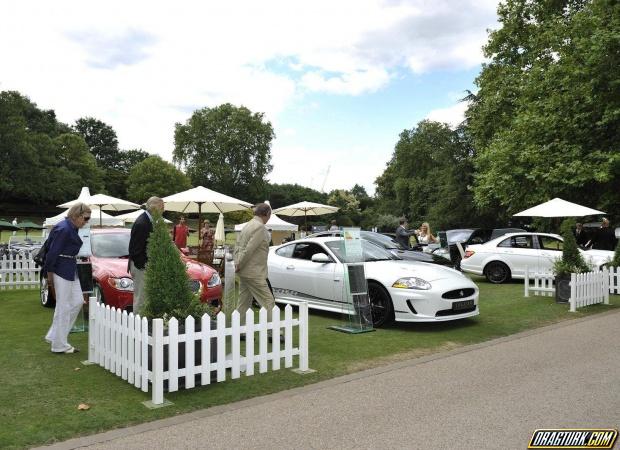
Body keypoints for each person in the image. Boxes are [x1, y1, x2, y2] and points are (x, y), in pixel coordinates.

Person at [44, 202, 91, 353]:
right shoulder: (64, 228)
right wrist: (49, 275)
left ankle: (55, 336)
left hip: (70, 267)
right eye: (86, 218)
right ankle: (58, 345)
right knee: (63, 307)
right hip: (61, 269)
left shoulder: (71, 227)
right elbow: (52, 253)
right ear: (76, 215)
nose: (87, 221)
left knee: (77, 302)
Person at [234, 203, 281, 341]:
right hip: (254, 273)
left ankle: (240, 331)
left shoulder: (247, 226)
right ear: (266, 214)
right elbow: (249, 250)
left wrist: (238, 263)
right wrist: (239, 263)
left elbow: (238, 246)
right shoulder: (260, 228)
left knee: (243, 302)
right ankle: (273, 333)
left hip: (244, 271)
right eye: (269, 215)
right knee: (268, 301)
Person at [128, 196, 164, 314]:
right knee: (141, 298)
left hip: (143, 265)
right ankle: (138, 326)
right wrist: (146, 266)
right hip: (140, 267)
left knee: (145, 297)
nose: (163, 210)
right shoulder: (142, 223)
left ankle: (144, 323)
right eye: (161, 207)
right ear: (154, 208)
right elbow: (135, 250)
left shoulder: (148, 221)